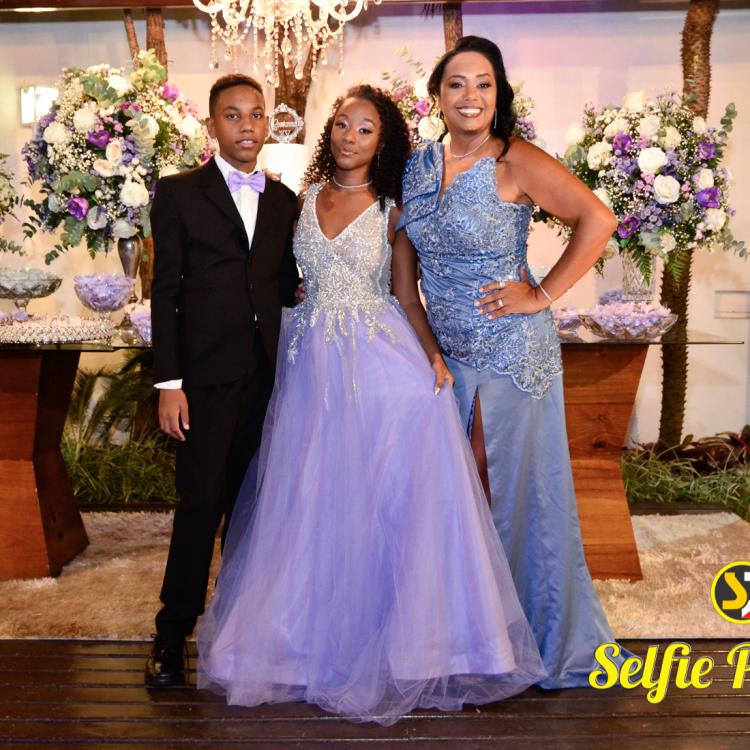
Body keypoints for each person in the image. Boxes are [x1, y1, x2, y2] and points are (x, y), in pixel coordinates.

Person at [197, 84, 546, 725]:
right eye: (341, 125)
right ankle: (298, 648)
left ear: (383, 143)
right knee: (309, 493)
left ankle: (415, 644)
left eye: (364, 129)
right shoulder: (299, 199)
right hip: (308, 363)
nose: (349, 137)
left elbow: (406, 295)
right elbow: (276, 278)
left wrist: (433, 356)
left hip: (377, 357)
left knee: (381, 495)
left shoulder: (392, 210)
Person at [397, 36, 624, 689]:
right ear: (437, 96)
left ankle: (523, 638)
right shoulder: (416, 166)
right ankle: (468, 635)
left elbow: (598, 219)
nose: (470, 96)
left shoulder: (515, 159)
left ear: (499, 95)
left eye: (484, 84)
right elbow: (398, 253)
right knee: (451, 492)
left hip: (510, 353)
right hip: (443, 356)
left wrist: (542, 293)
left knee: (508, 493)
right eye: (457, 83)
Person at [146, 73, 300, 687]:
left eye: (256, 114)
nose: (247, 126)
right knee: (200, 505)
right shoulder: (179, 193)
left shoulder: (285, 200)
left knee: (252, 509)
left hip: (267, 379)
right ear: (212, 125)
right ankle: (171, 633)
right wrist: (169, 383)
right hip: (204, 382)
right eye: (233, 115)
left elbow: (282, 282)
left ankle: (237, 631)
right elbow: (165, 292)